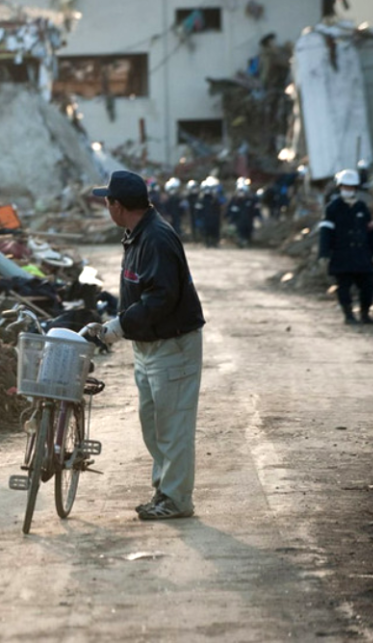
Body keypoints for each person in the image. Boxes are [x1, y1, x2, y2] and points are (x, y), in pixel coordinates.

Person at [83, 171, 205, 521]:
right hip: (149, 344)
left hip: (173, 343)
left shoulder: (156, 239)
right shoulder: (137, 235)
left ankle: (177, 499)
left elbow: (160, 299)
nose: (106, 207)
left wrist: (117, 327)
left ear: (117, 206)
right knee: (153, 423)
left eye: (107, 201)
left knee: (174, 426)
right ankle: (164, 492)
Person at [318, 169, 373, 325]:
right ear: (340, 187)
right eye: (345, 187)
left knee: (368, 285)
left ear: (356, 188)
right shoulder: (332, 208)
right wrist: (324, 254)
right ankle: (348, 315)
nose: (348, 190)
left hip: (362, 255)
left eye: (351, 187)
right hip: (342, 255)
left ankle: (365, 314)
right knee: (344, 287)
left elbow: (371, 232)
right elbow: (325, 233)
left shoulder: (362, 207)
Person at [227, 177, 261, 247]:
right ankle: (241, 240)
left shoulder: (252, 198)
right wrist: (230, 218)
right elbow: (230, 209)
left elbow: (256, 209)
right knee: (239, 230)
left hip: (249, 218)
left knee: (248, 230)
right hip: (239, 219)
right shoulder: (235, 199)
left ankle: (247, 240)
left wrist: (258, 217)